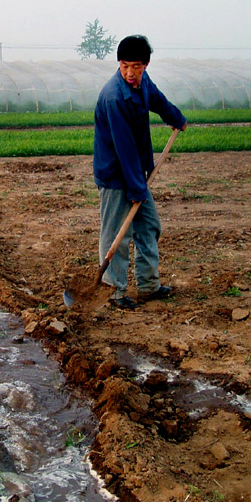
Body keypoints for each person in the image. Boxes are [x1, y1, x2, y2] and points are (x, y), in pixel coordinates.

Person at [93, 35, 187, 309]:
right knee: (116, 234)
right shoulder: (113, 97)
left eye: (135, 66)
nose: (130, 73)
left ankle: (148, 285)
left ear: (145, 65)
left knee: (148, 226)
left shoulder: (142, 82)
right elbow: (124, 149)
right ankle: (114, 292)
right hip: (115, 173)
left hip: (135, 172)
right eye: (124, 66)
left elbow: (156, 100)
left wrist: (175, 117)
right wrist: (136, 189)